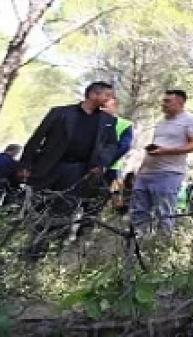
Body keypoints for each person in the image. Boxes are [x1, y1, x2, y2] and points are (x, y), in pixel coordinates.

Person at [18, 81, 120, 261]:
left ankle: (46, 254)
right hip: (49, 168)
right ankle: (23, 247)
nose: (110, 99)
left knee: (64, 211)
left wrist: (101, 163)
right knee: (38, 207)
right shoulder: (60, 113)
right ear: (93, 94)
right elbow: (37, 138)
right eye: (107, 95)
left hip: (78, 172)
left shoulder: (108, 122)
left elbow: (111, 145)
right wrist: (25, 165)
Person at [131, 89, 193, 235]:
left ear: (180, 103)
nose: (163, 104)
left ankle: (160, 249)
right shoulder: (161, 122)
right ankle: (136, 246)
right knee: (138, 212)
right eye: (163, 100)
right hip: (146, 173)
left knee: (163, 213)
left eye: (167, 101)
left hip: (169, 173)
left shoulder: (189, 121)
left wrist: (166, 151)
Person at [76, 96, 134, 239]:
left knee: (101, 200)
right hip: (84, 167)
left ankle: (84, 236)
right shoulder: (90, 120)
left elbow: (124, 146)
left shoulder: (125, 124)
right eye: (100, 106)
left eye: (105, 106)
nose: (101, 109)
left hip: (111, 171)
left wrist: (104, 163)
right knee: (79, 198)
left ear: (114, 107)